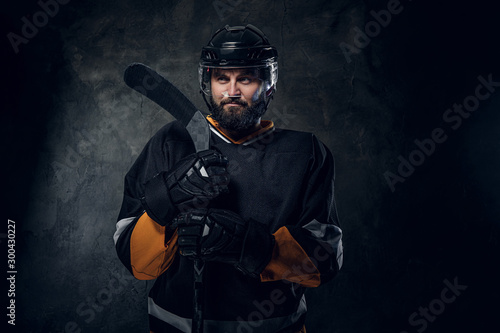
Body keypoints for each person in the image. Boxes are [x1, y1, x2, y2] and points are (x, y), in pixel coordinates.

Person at [114, 24, 343, 333]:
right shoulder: (171, 142)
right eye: (222, 78)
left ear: (269, 85)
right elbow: (135, 261)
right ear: (208, 83)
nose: (232, 91)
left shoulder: (306, 153)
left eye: (245, 78)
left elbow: (324, 261)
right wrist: (167, 199)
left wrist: (247, 246)